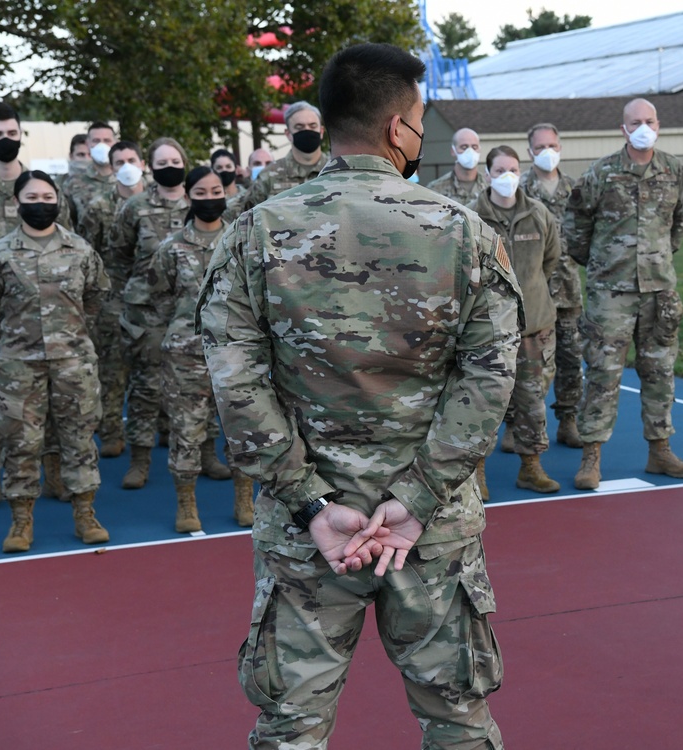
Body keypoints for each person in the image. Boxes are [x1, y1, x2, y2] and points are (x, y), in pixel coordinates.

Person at [199, 42, 520, 749]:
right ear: (398, 129)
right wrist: (419, 495)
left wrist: (311, 501)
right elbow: (491, 374)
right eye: (420, 119)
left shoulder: (256, 232)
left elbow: (234, 382)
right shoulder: (462, 231)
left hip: (309, 530)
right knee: (459, 721)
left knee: (291, 727)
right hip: (428, 531)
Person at [0, 170, 110, 552]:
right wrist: (9, 342)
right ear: (16, 203)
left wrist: (71, 332)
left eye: (47, 197)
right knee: (20, 443)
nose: (40, 204)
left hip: (73, 363)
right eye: (32, 197)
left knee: (79, 439)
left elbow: (95, 297)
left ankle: (85, 515)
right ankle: (21, 521)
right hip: (18, 367)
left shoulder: (79, 250)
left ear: (58, 202)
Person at [564, 97, 683, 489]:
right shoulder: (601, 173)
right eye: (635, 121)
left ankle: (660, 451)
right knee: (603, 374)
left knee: (659, 370)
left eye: (650, 120)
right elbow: (575, 225)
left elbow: (682, 220)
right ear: (622, 128)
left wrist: (659, 258)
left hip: (658, 290)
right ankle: (591, 457)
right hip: (610, 293)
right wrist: (602, 263)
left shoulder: (674, 171)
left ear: (659, 124)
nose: (643, 126)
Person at [0, 102, 72, 510]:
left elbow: (71, 250)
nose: (5, 140)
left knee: (53, 399)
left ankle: (54, 472)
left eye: (12, 133)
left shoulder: (43, 187)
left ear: (21, 134)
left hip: (46, 318)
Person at [136, 166, 247, 532]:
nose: (210, 198)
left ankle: (244, 499)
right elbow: (155, 298)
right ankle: (186, 504)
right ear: (188, 196)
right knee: (186, 430)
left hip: (237, 351)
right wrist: (175, 332)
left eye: (217, 191)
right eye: (201, 192)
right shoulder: (172, 248)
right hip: (185, 354)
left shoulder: (242, 240)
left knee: (241, 428)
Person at [469, 145, 561, 497]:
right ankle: (476, 472)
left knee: (532, 400)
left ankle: (531, 467)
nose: (508, 176)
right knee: (482, 401)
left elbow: (550, 260)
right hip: (486, 327)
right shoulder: (470, 216)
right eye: (500, 169)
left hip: (534, 325)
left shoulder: (538, 214)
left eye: (513, 169)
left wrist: (529, 293)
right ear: (488, 173)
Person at [107, 136, 192, 488]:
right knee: (146, 388)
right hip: (148, 314)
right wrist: (129, 298)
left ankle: (199, 456)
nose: (169, 168)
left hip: (192, 312)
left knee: (196, 388)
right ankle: (139, 460)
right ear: (150, 167)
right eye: (162, 163)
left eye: (175, 161)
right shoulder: (135, 207)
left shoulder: (201, 203)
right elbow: (117, 256)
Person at [77, 140, 146, 458]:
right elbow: (85, 254)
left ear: (143, 163)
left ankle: (158, 428)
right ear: (111, 167)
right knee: (112, 369)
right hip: (113, 298)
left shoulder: (160, 201)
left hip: (153, 299)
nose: (126, 166)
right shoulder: (98, 206)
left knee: (153, 368)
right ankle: (112, 433)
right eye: (120, 162)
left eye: (132, 159)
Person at [520, 122, 583, 448]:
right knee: (530, 365)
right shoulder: (518, 190)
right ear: (530, 151)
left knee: (570, 359)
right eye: (541, 146)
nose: (548, 152)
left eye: (553, 146)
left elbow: (587, 234)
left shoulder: (575, 188)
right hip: (532, 294)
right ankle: (521, 426)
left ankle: (568, 420)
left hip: (568, 290)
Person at [242, 102, 328, 210]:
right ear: (288, 134)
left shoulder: (337, 169)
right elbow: (248, 218)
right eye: (299, 127)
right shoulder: (268, 176)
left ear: (321, 131)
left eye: (312, 126)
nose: (307, 130)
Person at [61, 121, 117, 225]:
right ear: (88, 144)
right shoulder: (73, 183)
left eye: (107, 140)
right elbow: (65, 222)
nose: (102, 145)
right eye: (96, 141)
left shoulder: (128, 179)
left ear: (115, 143)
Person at [426, 127, 487, 205]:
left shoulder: (491, 187)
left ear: (479, 150)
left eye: (474, 147)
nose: (470, 151)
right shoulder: (435, 189)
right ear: (453, 151)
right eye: (464, 147)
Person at [210, 147, 248, 221]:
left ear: (236, 170)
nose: (224, 170)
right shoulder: (208, 198)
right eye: (219, 167)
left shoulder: (247, 196)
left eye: (228, 166)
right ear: (212, 170)